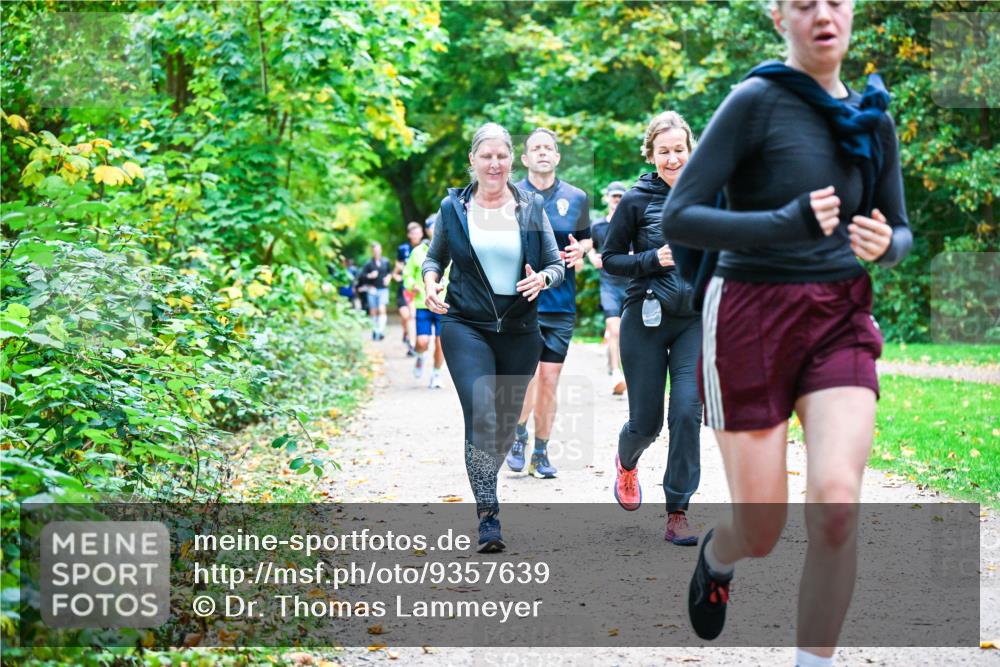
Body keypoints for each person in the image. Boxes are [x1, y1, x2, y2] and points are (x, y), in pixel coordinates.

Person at [661, 1, 913, 663]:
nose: (823, 14)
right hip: (748, 314)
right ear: (779, 16)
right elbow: (679, 217)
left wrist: (886, 242)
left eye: (835, 1)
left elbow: (901, 229)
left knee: (835, 505)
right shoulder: (754, 101)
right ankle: (719, 553)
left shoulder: (872, 117)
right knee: (762, 528)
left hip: (838, 316)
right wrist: (782, 224)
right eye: (805, 3)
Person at [422, 122, 564, 553]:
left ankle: (490, 473)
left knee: (502, 428)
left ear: (510, 160)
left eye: (502, 155)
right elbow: (435, 258)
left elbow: (556, 264)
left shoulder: (530, 207)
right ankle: (489, 515)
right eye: (486, 156)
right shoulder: (454, 209)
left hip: (520, 331)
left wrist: (542, 278)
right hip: (465, 325)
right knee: (481, 412)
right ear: (473, 162)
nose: (495, 163)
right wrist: (430, 281)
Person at [602, 112, 714, 547]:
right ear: (651, 154)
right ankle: (626, 462)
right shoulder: (635, 200)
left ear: (691, 150)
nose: (673, 158)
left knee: (687, 412)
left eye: (679, 150)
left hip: (694, 323)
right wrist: (654, 260)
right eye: (664, 151)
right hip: (645, 319)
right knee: (645, 424)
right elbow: (611, 259)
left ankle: (678, 512)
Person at [506, 128, 592, 479]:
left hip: (560, 302)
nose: (542, 152)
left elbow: (587, 242)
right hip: (519, 301)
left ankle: (540, 453)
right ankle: (518, 435)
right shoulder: (509, 196)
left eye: (549, 148)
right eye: (535, 148)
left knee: (549, 379)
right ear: (524, 159)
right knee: (526, 377)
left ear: (557, 157)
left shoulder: (576, 197)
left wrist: (580, 250)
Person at [588, 181, 629, 395]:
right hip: (609, 284)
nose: (617, 200)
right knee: (614, 329)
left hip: (631, 284)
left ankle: (625, 370)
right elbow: (590, 247)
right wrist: (592, 257)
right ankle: (616, 374)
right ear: (607, 199)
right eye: (614, 197)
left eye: (621, 197)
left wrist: (624, 259)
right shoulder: (597, 226)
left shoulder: (632, 224)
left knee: (628, 333)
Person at [403, 214, 446, 388]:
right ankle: (420, 356)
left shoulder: (449, 248)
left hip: (444, 304)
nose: (435, 229)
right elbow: (407, 274)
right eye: (432, 226)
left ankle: (436, 374)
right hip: (423, 303)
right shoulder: (418, 251)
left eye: (438, 226)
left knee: (440, 343)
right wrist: (412, 284)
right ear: (427, 230)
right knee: (422, 342)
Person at [394, 222, 424, 356]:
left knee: (412, 316)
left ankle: (412, 345)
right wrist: (398, 273)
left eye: (417, 233)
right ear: (408, 235)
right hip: (405, 287)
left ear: (422, 234)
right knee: (406, 315)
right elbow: (397, 267)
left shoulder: (427, 248)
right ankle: (406, 333)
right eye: (412, 233)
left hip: (419, 290)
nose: (415, 235)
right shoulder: (403, 249)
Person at [359, 242, 392, 340]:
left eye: (378, 250)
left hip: (383, 289)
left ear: (381, 250)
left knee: (382, 309)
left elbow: (390, 273)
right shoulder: (368, 263)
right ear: (372, 251)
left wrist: (388, 278)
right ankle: (375, 331)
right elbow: (361, 276)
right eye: (375, 250)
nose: (377, 252)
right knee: (373, 311)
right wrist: (370, 275)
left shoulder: (386, 261)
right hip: (372, 289)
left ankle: (380, 331)